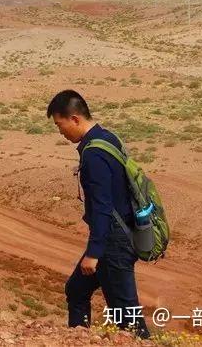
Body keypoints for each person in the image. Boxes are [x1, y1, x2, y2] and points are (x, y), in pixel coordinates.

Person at [46, 89, 150, 339]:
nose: (60, 132)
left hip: (114, 243)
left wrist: (94, 254)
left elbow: (102, 207)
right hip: (121, 234)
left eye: (60, 125)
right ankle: (78, 339)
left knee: (127, 317)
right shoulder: (107, 138)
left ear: (74, 119)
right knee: (76, 290)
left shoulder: (93, 155)